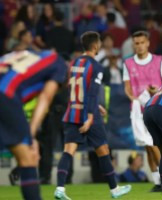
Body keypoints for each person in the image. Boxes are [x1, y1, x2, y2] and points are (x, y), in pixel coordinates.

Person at [0, 49, 68, 200]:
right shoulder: (59, 65)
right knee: (28, 158)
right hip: (3, 91)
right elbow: (46, 97)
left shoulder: (23, 54)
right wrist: (31, 136)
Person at [54, 31, 131, 200]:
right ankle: (114, 189)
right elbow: (91, 92)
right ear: (95, 45)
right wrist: (90, 116)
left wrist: (96, 106)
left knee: (68, 152)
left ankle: (60, 188)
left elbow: (74, 88)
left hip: (71, 111)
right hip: (89, 114)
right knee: (103, 150)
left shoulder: (73, 63)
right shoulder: (96, 66)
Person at [123, 30, 162, 192]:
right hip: (138, 110)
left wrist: (156, 90)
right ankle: (158, 182)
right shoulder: (128, 63)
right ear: (133, 45)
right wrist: (133, 99)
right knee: (147, 146)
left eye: (142, 42)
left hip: (155, 108)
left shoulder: (158, 61)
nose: (140, 46)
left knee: (154, 144)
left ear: (148, 43)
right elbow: (127, 88)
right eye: (136, 43)